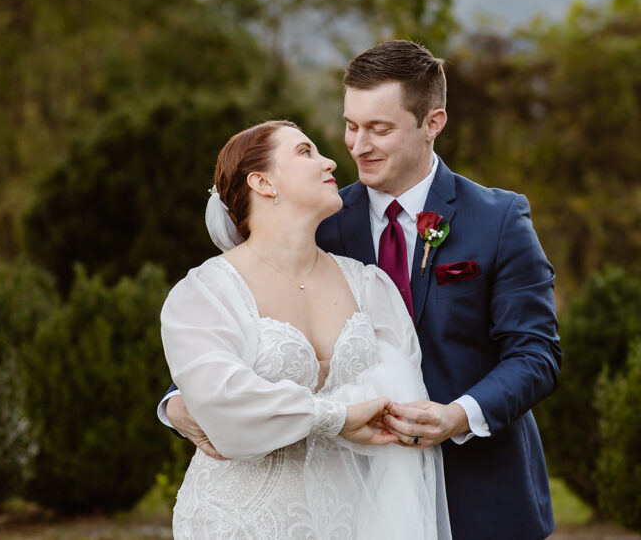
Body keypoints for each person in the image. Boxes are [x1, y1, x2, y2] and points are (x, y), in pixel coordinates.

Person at [164, 40, 561, 539]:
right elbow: (241, 318)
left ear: (432, 123)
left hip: (480, 488)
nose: (357, 146)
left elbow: (535, 353)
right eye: (351, 126)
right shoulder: (319, 218)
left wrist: (459, 415)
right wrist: (179, 401)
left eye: (380, 129)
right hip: (348, 493)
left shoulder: (498, 219)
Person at [160, 119, 451, 539]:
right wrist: (337, 415)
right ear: (262, 182)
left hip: (355, 518)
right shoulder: (206, 292)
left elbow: (404, 395)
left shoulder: (369, 287)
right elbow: (222, 401)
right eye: (305, 152)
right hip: (241, 520)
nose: (330, 160)